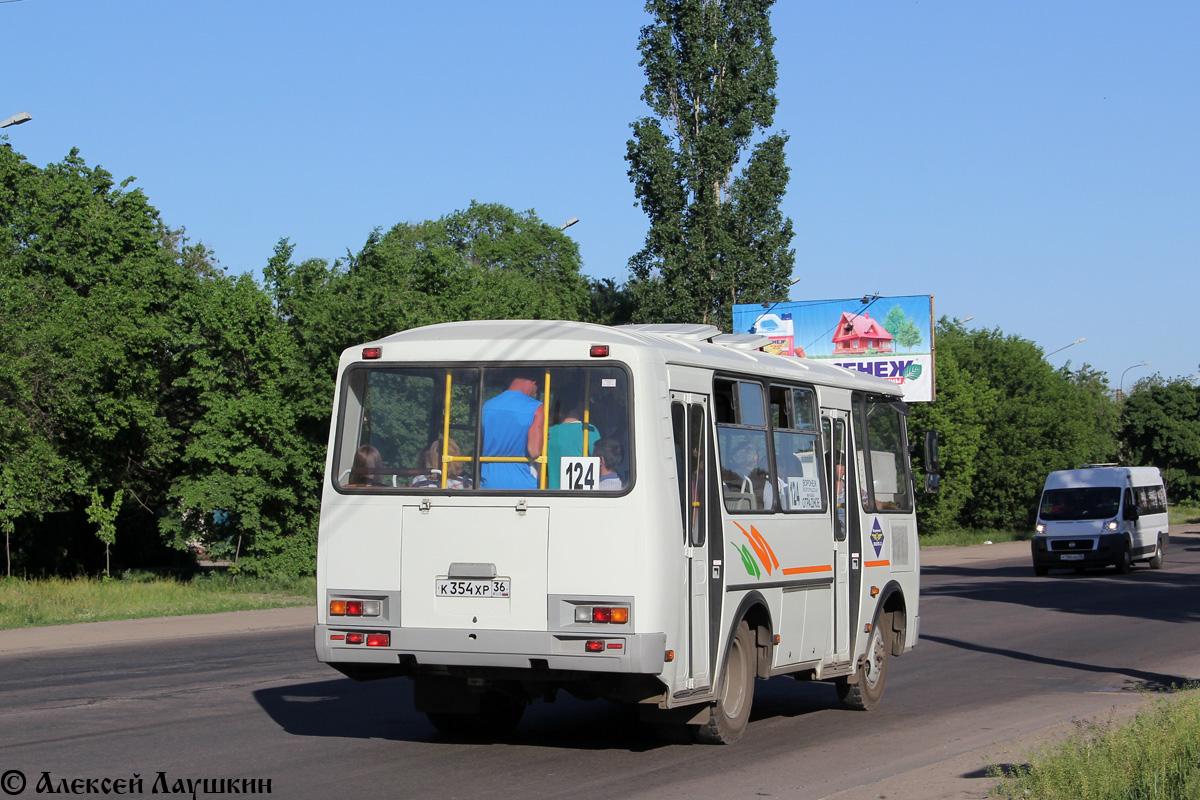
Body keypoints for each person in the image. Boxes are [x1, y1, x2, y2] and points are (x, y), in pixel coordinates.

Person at [480, 374, 544, 490]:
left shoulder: (487, 406)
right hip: (523, 482)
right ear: (533, 383)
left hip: (488, 482)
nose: (534, 393)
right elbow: (534, 451)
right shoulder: (536, 407)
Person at [546, 389, 601, 489]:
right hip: (581, 493)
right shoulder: (589, 430)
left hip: (553, 492)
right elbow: (600, 462)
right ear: (580, 405)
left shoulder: (549, 432)